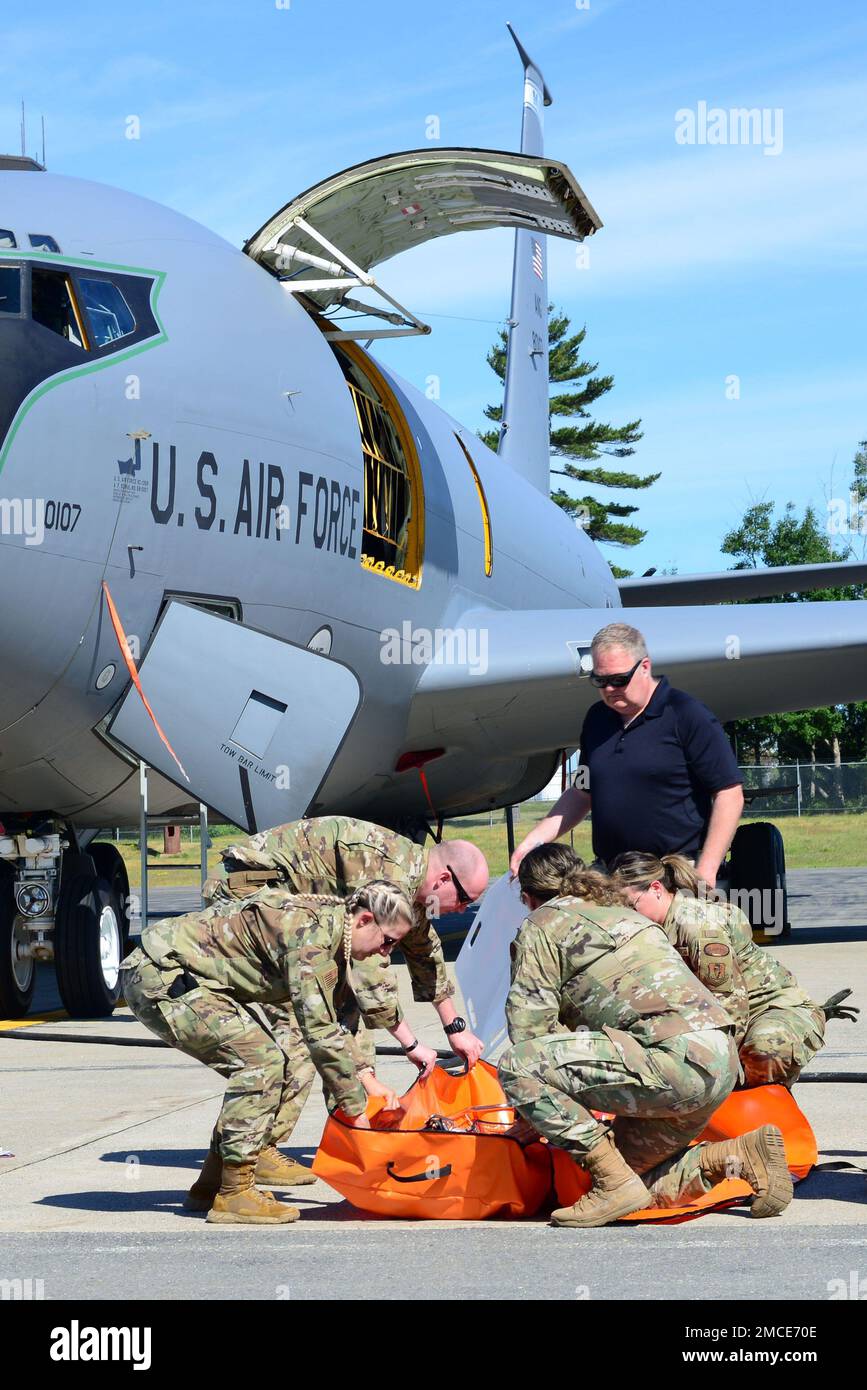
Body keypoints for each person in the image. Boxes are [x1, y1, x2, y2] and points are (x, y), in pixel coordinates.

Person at [188, 814, 488, 1209]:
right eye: (465, 900)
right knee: (304, 1028)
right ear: (443, 881)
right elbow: (368, 973)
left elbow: (423, 947)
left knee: (338, 1032)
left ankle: (336, 1137)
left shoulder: (412, 881)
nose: (462, 909)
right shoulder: (390, 872)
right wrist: (410, 1044)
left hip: (286, 911)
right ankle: (256, 1150)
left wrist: (455, 1028)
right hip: (246, 897)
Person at [498, 845, 793, 1226]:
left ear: (527, 897)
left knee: (517, 1065)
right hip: (717, 1060)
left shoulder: (542, 924)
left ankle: (613, 1182)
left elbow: (529, 1033)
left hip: (671, 1063)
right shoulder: (624, 913)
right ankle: (736, 1157)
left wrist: (536, 1112)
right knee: (614, 1177)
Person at [121, 880, 414, 1225]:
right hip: (161, 976)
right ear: (364, 920)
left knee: (268, 1063)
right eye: (388, 941)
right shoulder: (311, 943)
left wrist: (367, 1080)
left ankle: (212, 1184)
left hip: (179, 975)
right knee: (260, 1064)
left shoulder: (330, 932)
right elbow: (319, 1035)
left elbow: (338, 1020)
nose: (386, 953)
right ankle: (235, 1193)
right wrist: (357, 1115)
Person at [510, 623, 744, 889]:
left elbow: (729, 793)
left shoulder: (687, 715)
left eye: (619, 679)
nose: (610, 689)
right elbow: (581, 793)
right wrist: (534, 841)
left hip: (673, 876)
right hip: (612, 875)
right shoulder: (596, 719)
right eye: (600, 681)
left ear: (644, 667)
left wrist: (706, 872)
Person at [610, 851, 857, 1086]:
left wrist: (720, 1066)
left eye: (632, 905)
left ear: (655, 889)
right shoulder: (652, 928)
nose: (626, 915)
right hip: (713, 1013)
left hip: (769, 1009)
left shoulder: (698, 927)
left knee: (764, 1052)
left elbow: (730, 1002)